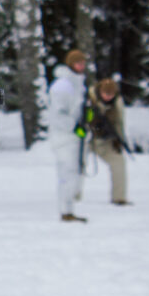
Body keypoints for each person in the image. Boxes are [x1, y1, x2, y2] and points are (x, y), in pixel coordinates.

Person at [48, 49, 89, 222]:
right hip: (64, 138)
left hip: (75, 138)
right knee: (67, 173)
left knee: (76, 173)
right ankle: (66, 211)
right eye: (77, 63)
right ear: (70, 64)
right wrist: (75, 127)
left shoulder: (78, 84)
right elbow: (58, 115)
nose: (81, 66)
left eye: (82, 62)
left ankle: (69, 208)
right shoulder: (63, 86)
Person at [87, 78, 131, 206]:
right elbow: (83, 121)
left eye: (111, 94)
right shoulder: (88, 100)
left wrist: (120, 140)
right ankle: (73, 198)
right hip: (87, 139)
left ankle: (119, 198)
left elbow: (119, 123)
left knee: (119, 162)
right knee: (77, 165)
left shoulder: (117, 103)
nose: (108, 96)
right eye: (105, 93)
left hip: (107, 140)